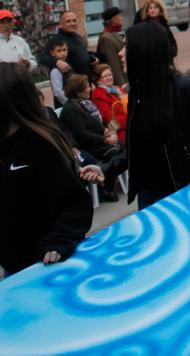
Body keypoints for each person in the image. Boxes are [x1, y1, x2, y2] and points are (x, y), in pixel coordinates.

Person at [0, 62, 93, 275]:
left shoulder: (40, 143)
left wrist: (59, 240)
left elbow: (75, 204)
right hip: (15, 270)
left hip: (51, 265)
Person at [124, 22, 190, 210]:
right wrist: (106, 168)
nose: (120, 54)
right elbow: (135, 145)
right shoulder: (137, 92)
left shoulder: (183, 87)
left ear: (143, 51)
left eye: (126, 47)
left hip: (183, 187)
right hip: (148, 193)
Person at [60, 74, 125, 202]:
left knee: (123, 145)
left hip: (96, 140)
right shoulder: (71, 109)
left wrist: (105, 130)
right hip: (87, 146)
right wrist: (105, 139)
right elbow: (82, 134)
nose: (90, 89)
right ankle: (106, 187)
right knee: (114, 151)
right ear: (78, 92)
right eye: (87, 87)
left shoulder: (85, 103)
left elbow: (94, 123)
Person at [40, 11, 94, 78]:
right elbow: (42, 58)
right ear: (61, 24)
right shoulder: (56, 40)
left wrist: (92, 58)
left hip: (86, 81)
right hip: (72, 83)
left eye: (74, 20)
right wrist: (57, 62)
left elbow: (81, 54)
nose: (72, 23)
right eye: (68, 21)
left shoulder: (79, 37)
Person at [91, 63, 128, 144]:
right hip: (120, 131)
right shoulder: (98, 94)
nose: (109, 78)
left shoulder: (117, 89)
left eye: (110, 75)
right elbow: (109, 119)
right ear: (98, 80)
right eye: (105, 76)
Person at [96, 7, 127, 86]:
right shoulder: (106, 38)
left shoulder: (118, 33)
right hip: (123, 81)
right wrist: (122, 85)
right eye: (120, 16)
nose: (122, 18)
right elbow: (113, 64)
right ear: (113, 19)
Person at [46, 35, 73, 108]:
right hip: (64, 106)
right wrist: (69, 103)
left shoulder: (68, 64)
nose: (62, 53)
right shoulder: (55, 70)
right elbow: (58, 92)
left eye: (64, 50)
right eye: (59, 51)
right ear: (52, 53)